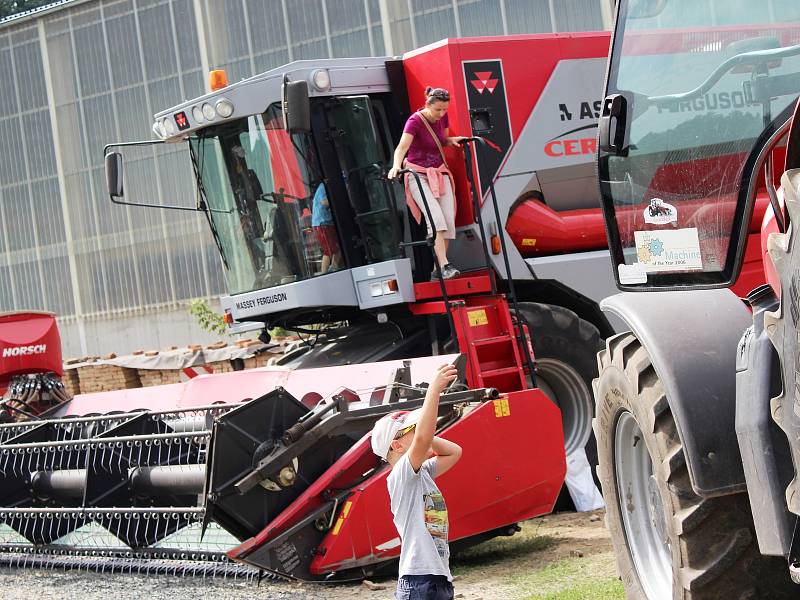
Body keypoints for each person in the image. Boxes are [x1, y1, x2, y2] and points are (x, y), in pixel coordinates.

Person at [371, 363, 463, 600]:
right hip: (419, 581)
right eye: (412, 428)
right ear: (396, 445)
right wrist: (434, 390)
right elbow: (422, 438)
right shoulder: (401, 474)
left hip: (437, 578)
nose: (421, 431)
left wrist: (425, 437)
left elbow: (454, 452)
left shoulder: (421, 472)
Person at [388, 87, 465, 280]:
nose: (441, 114)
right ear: (427, 104)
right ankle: (445, 265)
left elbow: (441, 140)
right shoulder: (415, 121)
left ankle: (437, 270)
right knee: (435, 219)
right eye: (437, 110)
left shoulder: (442, 118)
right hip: (417, 174)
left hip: (439, 172)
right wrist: (396, 166)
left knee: (448, 221)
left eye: (445, 110)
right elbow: (401, 148)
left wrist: (451, 141)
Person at [311, 182, 342, 273]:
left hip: (327, 222)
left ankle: (334, 268)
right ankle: (324, 273)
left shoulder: (326, 186)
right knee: (329, 251)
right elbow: (324, 202)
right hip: (322, 223)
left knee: (338, 247)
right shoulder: (323, 187)